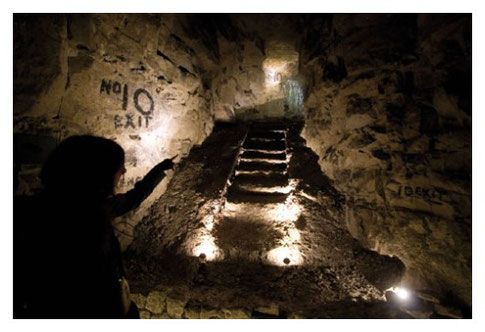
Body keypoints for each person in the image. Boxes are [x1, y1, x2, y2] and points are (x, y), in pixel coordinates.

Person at [14, 135, 175, 318]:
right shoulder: (88, 219)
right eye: (118, 167)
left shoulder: (31, 210)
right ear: (98, 173)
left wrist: (160, 169)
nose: (124, 170)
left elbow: (134, 197)